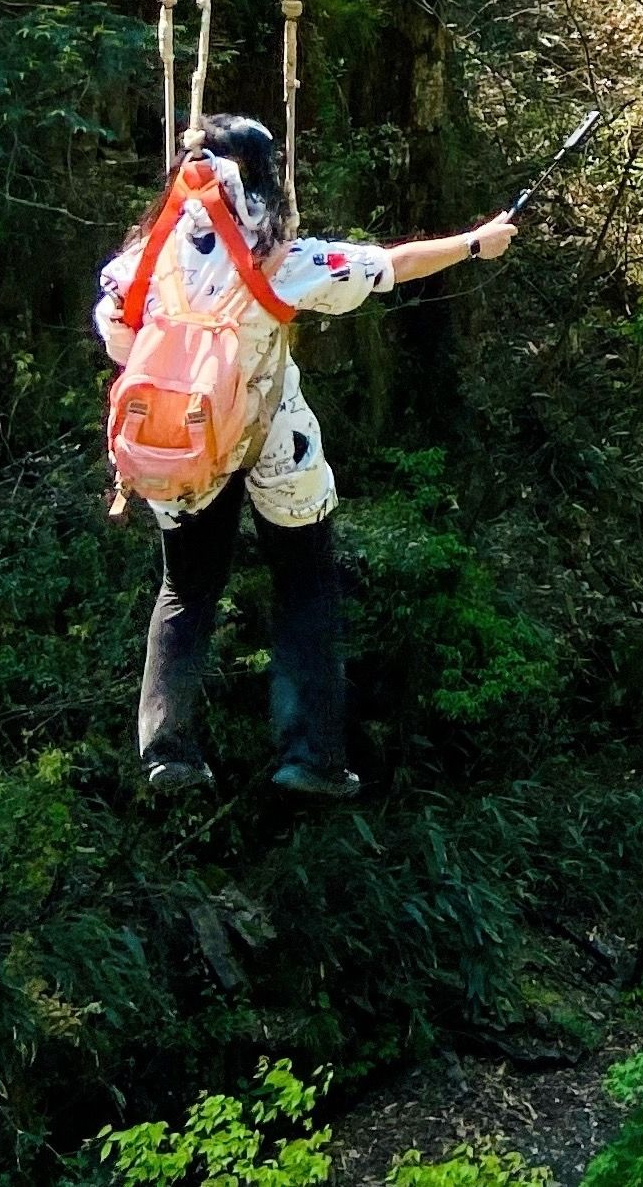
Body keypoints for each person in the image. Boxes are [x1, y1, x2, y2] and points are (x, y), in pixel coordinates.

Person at [93, 115, 517, 798]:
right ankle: (310, 755)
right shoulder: (280, 261)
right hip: (274, 439)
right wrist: (474, 243)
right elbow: (388, 266)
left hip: (174, 447)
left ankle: (167, 750)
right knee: (307, 585)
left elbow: (116, 340)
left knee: (186, 589)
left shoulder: (141, 260)